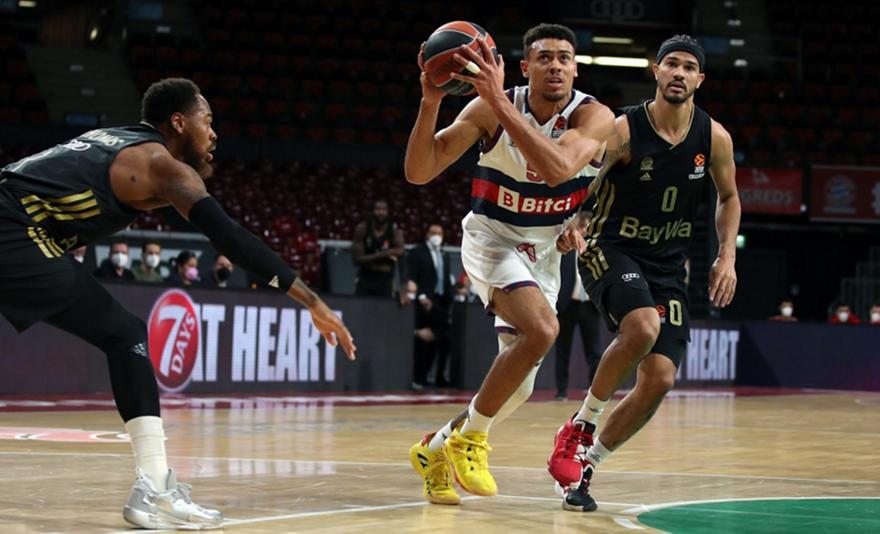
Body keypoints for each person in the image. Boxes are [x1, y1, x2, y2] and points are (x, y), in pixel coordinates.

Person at [0, 77, 355, 529]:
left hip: (15, 220)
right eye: (208, 121)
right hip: (11, 227)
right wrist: (312, 301)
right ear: (179, 122)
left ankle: (157, 486)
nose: (214, 134)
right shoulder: (162, 166)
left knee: (122, 331)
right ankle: (154, 488)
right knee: (125, 334)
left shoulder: (114, 138)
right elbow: (231, 239)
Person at [404, 23, 614, 504]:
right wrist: (430, 101)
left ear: (576, 69)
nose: (555, 65)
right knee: (543, 330)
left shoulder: (595, 116)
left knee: (516, 388)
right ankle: (471, 439)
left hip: (544, 253)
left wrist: (579, 219)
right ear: (523, 67)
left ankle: (433, 450)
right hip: (492, 238)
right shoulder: (488, 108)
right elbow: (419, 171)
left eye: (564, 58)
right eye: (544, 57)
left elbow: (560, 169)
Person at [546, 35, 740, 512]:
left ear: (699, 79)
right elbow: (585, 182)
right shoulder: (624, 130)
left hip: (668, 265)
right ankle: (580, 426)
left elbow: (729, 196)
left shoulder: (713, 137)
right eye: (671, 63)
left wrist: (726, 256)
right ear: (656, 71)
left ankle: (587, 464)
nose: (679, 72)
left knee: (660, 379)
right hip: (610, 247)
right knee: (642, 327)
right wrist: (574, 221)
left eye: (688, 67)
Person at [554, 238, 602, 400]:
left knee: (594, 351)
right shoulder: (564, 251)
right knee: (562, 351)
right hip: (567, 305)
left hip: (590, 305)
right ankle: (561, 392)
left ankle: (594, 391)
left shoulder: (595, 251)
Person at [407, 223, 454, 389]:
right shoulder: (417, 252)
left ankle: (440, 377)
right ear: (427, 234)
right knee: (424, 340)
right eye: (433, 232)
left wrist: (450, 299)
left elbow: (445, 280)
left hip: (441, 303)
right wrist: (420, 296)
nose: (436, 236)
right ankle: (419, 377)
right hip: (424, 302)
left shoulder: (445, 255)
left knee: (445, 340)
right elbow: (412, 277)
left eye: (439, 233)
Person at [351, 199, 405, 297]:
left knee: (385, 306)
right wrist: (386, 253)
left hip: (386, 280)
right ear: (372, 211)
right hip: (365, 277)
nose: (381, 212)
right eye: (378, 209)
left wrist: (371, 257)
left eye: (384, 210)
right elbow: (357, 259)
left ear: (388, 212)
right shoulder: (362, 229)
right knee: (360, 305)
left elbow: (400, 251)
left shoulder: (395, 232)